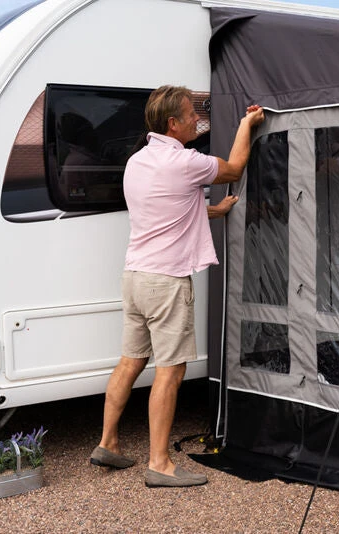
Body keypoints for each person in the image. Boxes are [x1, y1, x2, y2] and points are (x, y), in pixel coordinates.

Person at [89, 85, 264, 487]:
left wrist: (213, 211)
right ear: (172, 123)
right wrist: (247, 124)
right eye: (191, 116)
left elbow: (168, 206)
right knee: (170, 371)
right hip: (166, 282)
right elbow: (234, 169)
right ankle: (160, 464)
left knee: (130, 361)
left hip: (135, 277)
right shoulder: (185, 161)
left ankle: (108, 443)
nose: (197, 121)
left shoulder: (137, 161)